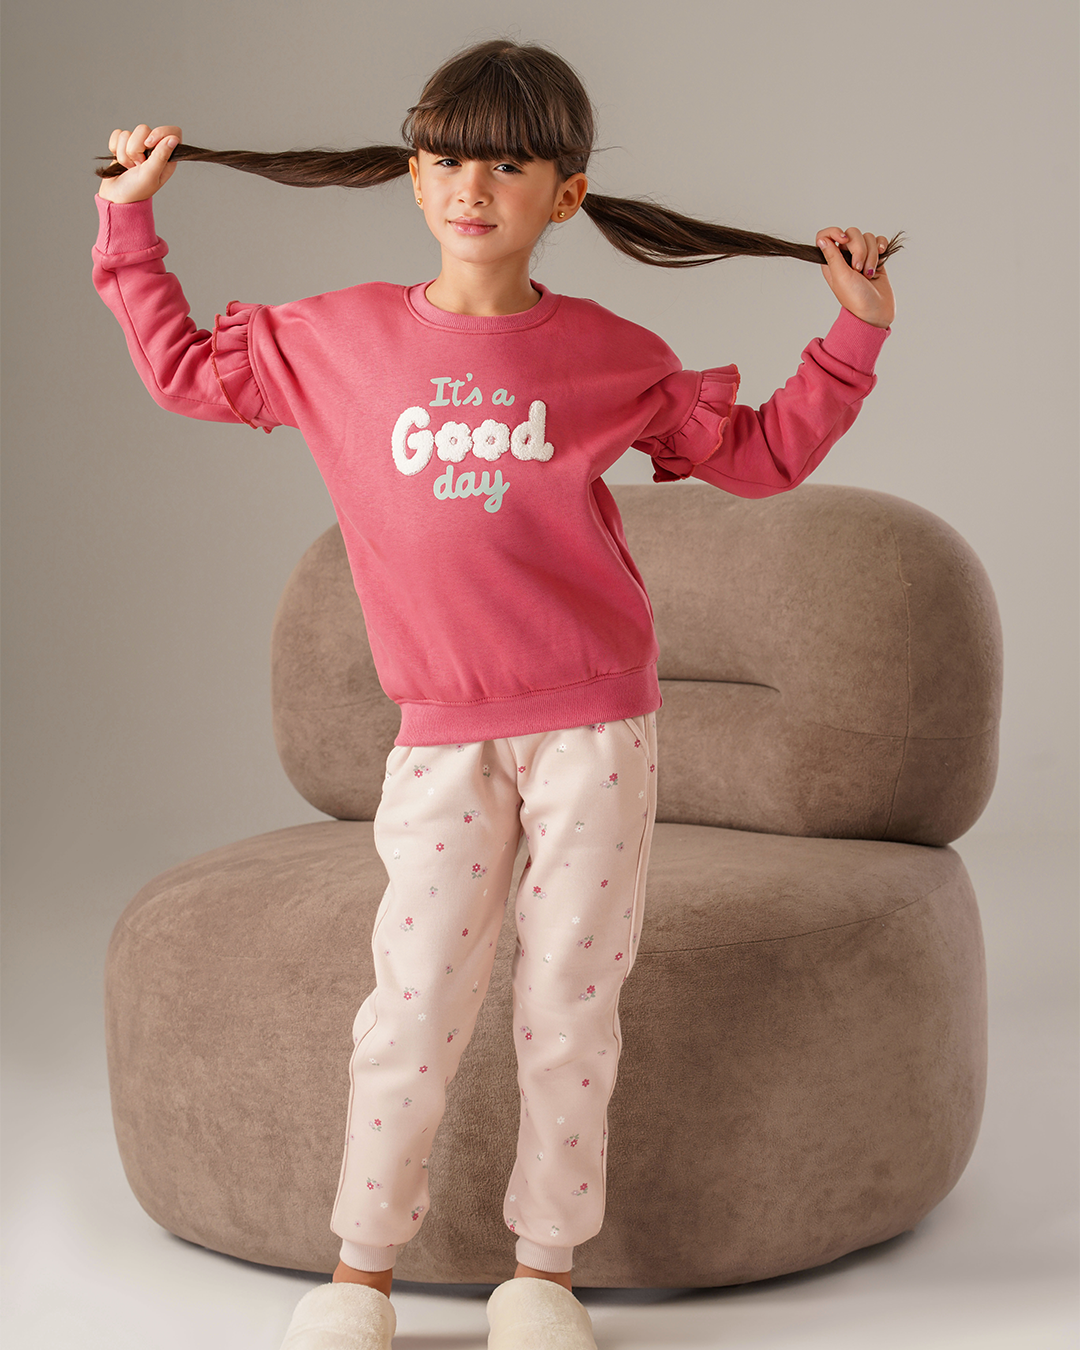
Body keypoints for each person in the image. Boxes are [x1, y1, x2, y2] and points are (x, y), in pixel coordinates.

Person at [92, 36, 897, 1350]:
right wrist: (129, 222)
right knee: (411, 1005)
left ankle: (544, 1273)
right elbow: (183, 369)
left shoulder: (610, 352)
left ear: (565, 194)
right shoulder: (334, 337)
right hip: (443, 740)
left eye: (511, 165)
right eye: (449, 158)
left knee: (569, 1004)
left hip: (595, 730)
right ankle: (360, 1276)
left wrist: (851, 336)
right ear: (413, 174)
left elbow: (756, 461)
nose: (474, 187)